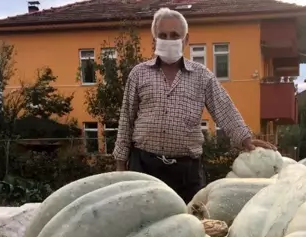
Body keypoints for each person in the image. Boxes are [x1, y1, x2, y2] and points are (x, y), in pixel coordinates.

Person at [113, 7, 276, 203]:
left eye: (175, 35)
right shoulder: (139, 74)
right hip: (144, 168)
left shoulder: (202, 76)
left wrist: (246, 140)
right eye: (162, 35)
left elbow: (224, 108)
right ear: (154, 39)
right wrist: (120, 168)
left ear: (186, 39)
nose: (169, 39)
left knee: (190, 223)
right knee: (144, 226)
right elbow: (126, 121)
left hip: (186, 173)